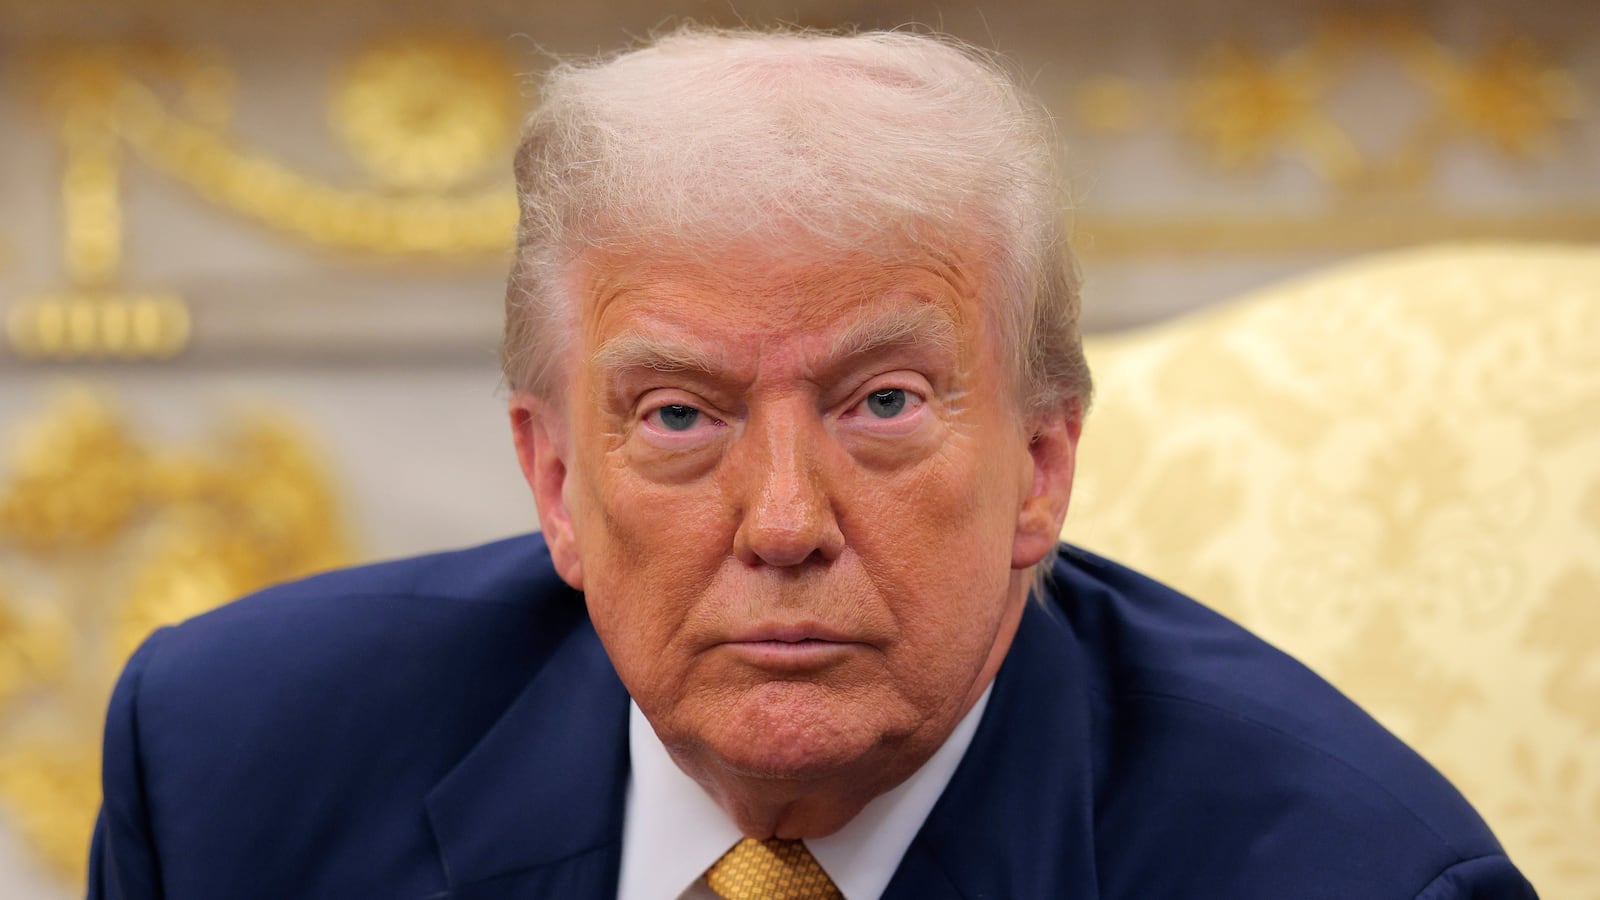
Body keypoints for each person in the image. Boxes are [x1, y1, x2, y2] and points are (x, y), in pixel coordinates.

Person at [88, 26, 1535, 900]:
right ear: (552, 481)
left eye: (883, 403)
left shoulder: (1353, 877)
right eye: (677, 417)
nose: (784, 522)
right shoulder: (233, 770)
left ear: (1041, 464)